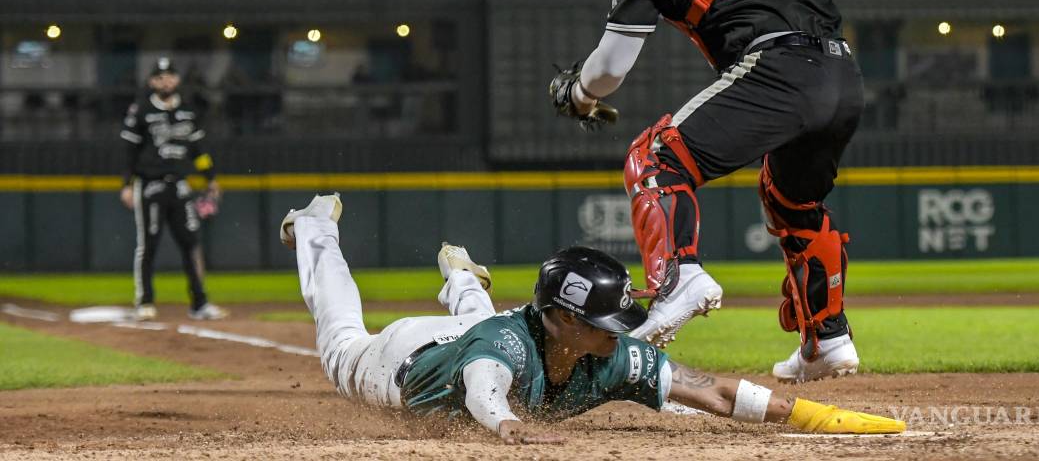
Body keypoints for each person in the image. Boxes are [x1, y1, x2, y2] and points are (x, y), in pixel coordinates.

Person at [549, 0, 929, 382]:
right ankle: (828, 341)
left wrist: (577, 93)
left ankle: (678, 277)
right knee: (791, 201)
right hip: (843, 74)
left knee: (654, 159)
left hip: (779, 68)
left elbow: (610, 68)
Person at [281, 193, 905, 444]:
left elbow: (710, 390)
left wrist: (817, 417)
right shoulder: (507, 350)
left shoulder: (599, 353)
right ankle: (314, 229)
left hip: (481, 337)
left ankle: (465, 283)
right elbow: (483, 389)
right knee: (340, 339)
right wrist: (510, 430)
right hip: (403, 361)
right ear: (561, 320)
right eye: (603, 322)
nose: (618, 333)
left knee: (487, 324)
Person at [119, 57, 227, 321]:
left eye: (169, 76)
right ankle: (144, 301)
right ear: (151, 82)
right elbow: (130, 152)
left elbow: (198, 151)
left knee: (190, 243)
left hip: (179, 186)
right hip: (150, 185)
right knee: (148, 245)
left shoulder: (188, 111)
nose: (165, 81)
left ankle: (199, 303)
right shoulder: (142, 110)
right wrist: (127, 184)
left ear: (177, 80)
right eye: (159, 77)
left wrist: (210, 178)